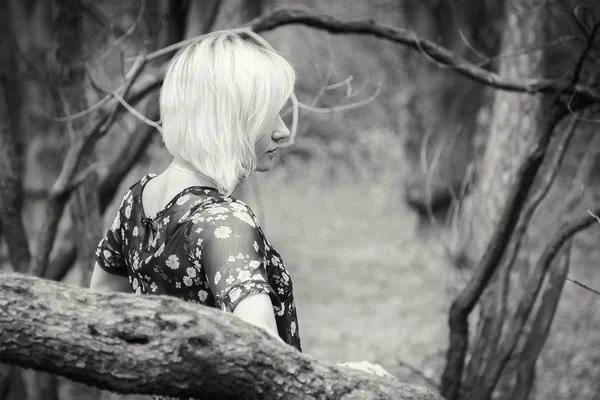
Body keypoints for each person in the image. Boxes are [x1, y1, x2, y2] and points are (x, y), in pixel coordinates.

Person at [89, 31, 391, 399]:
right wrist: (340, 383)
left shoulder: (137, 201)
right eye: (269, 115)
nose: (283, 132)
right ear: (227, 119)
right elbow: (263, 352)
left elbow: (102, 300)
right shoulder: (224, 223)